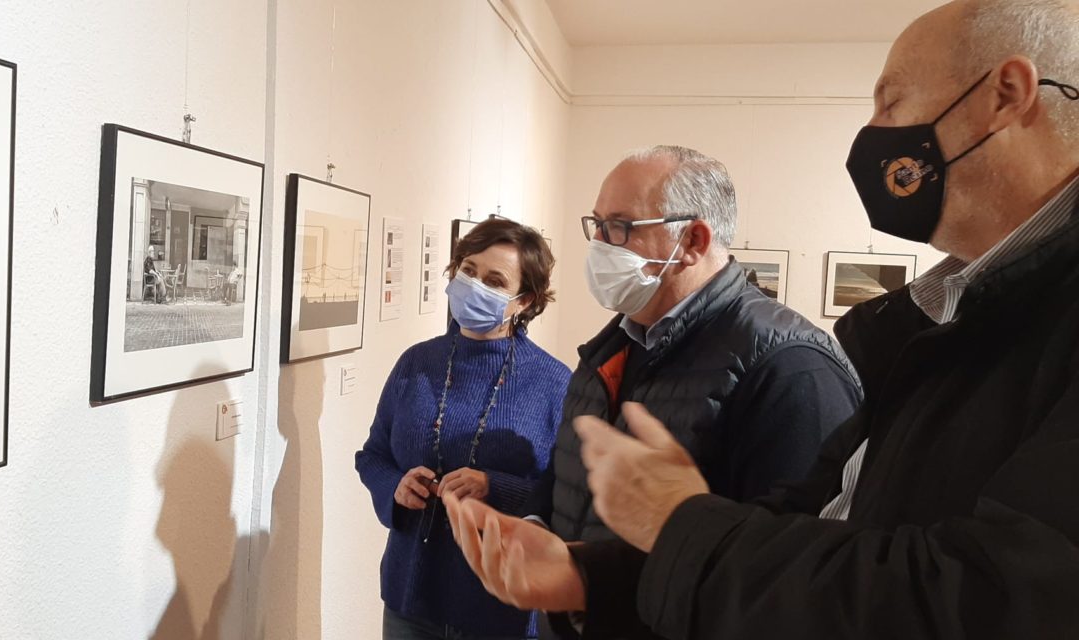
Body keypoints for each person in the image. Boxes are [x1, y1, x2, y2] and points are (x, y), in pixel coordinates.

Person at [444, 1, 1079, 638]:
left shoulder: (792, 365)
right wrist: (589, 578)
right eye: (599, 227)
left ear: (1007, 95)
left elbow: (984, 600)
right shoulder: (945, 324)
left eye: (891, 102)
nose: (872, 130)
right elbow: (819, 530)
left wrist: (678, 520)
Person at [514, 146, 862, 638]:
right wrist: (535, 526)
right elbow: (574, 470)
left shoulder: (792, 369)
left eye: (620, 227)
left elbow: (786, 583)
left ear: (693, 240)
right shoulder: (615, 344)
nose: (600, 245)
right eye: (596, 225)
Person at [355, 218, 573, 640]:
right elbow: (372, 455)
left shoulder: (553, 383)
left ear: (523, 300)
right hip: (411, 595)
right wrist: (396, 486)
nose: (474, 285)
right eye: (468, 271)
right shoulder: (417, 363)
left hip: (502, 604)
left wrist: (496, 487)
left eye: (494, 281)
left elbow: (566, 496)